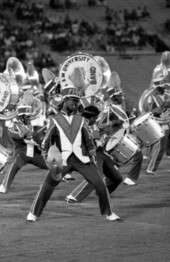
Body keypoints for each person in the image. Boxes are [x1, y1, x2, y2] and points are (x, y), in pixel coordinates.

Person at [26, 86, 122, 222]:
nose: (75, 103)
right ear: (65, 100)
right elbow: (47, 141)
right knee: (47, 186)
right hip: (62, 160)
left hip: (81, 159)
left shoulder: (81, 120)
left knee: (100, 183)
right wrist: (47, 156)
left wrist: (92, 152)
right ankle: (33, 213)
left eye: (77, 101)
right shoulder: (55, 120)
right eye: (72, 100)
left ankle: (109, 213)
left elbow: (88, 140)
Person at [66, 104, 123, 203]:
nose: (97, 120)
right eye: (96, 118)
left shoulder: (91, 124)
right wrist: (98, 142)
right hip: (89, 154)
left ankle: (102, 193)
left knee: (117, 178)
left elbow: (102, 127)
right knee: (97, 176)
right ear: (91, 118)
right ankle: (74, 196)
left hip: (100, 153)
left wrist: (114, 122)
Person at [0, 105, 48, 194]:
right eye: (27, 116)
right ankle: (4, 186)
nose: (29, 118)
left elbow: (34, 138)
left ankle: (60, 175)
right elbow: (12, 134)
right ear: (21, 117)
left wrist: (40, 141)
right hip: (21, 152)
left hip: (32, 153)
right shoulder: (13, 125)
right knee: (13, 168)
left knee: (47, 164)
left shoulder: (29, 126)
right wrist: (25, 135)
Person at [145, 67, 170, 175]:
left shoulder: (167, 95)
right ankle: (151, 168)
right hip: (159, 124)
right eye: (162, 86)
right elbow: (152, 111)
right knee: (160, 148)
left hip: (168, 122)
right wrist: (164, 105)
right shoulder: (152, 97)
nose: (165, 87)